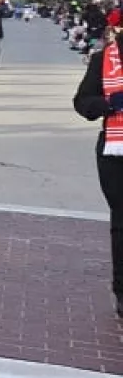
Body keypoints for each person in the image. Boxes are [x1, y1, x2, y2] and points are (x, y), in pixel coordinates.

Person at [72, 27, 123, 318]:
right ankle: (121, 290)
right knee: (122, 221)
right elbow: (82, 102)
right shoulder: (103, 59)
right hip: (116, 152)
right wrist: (107, 104)